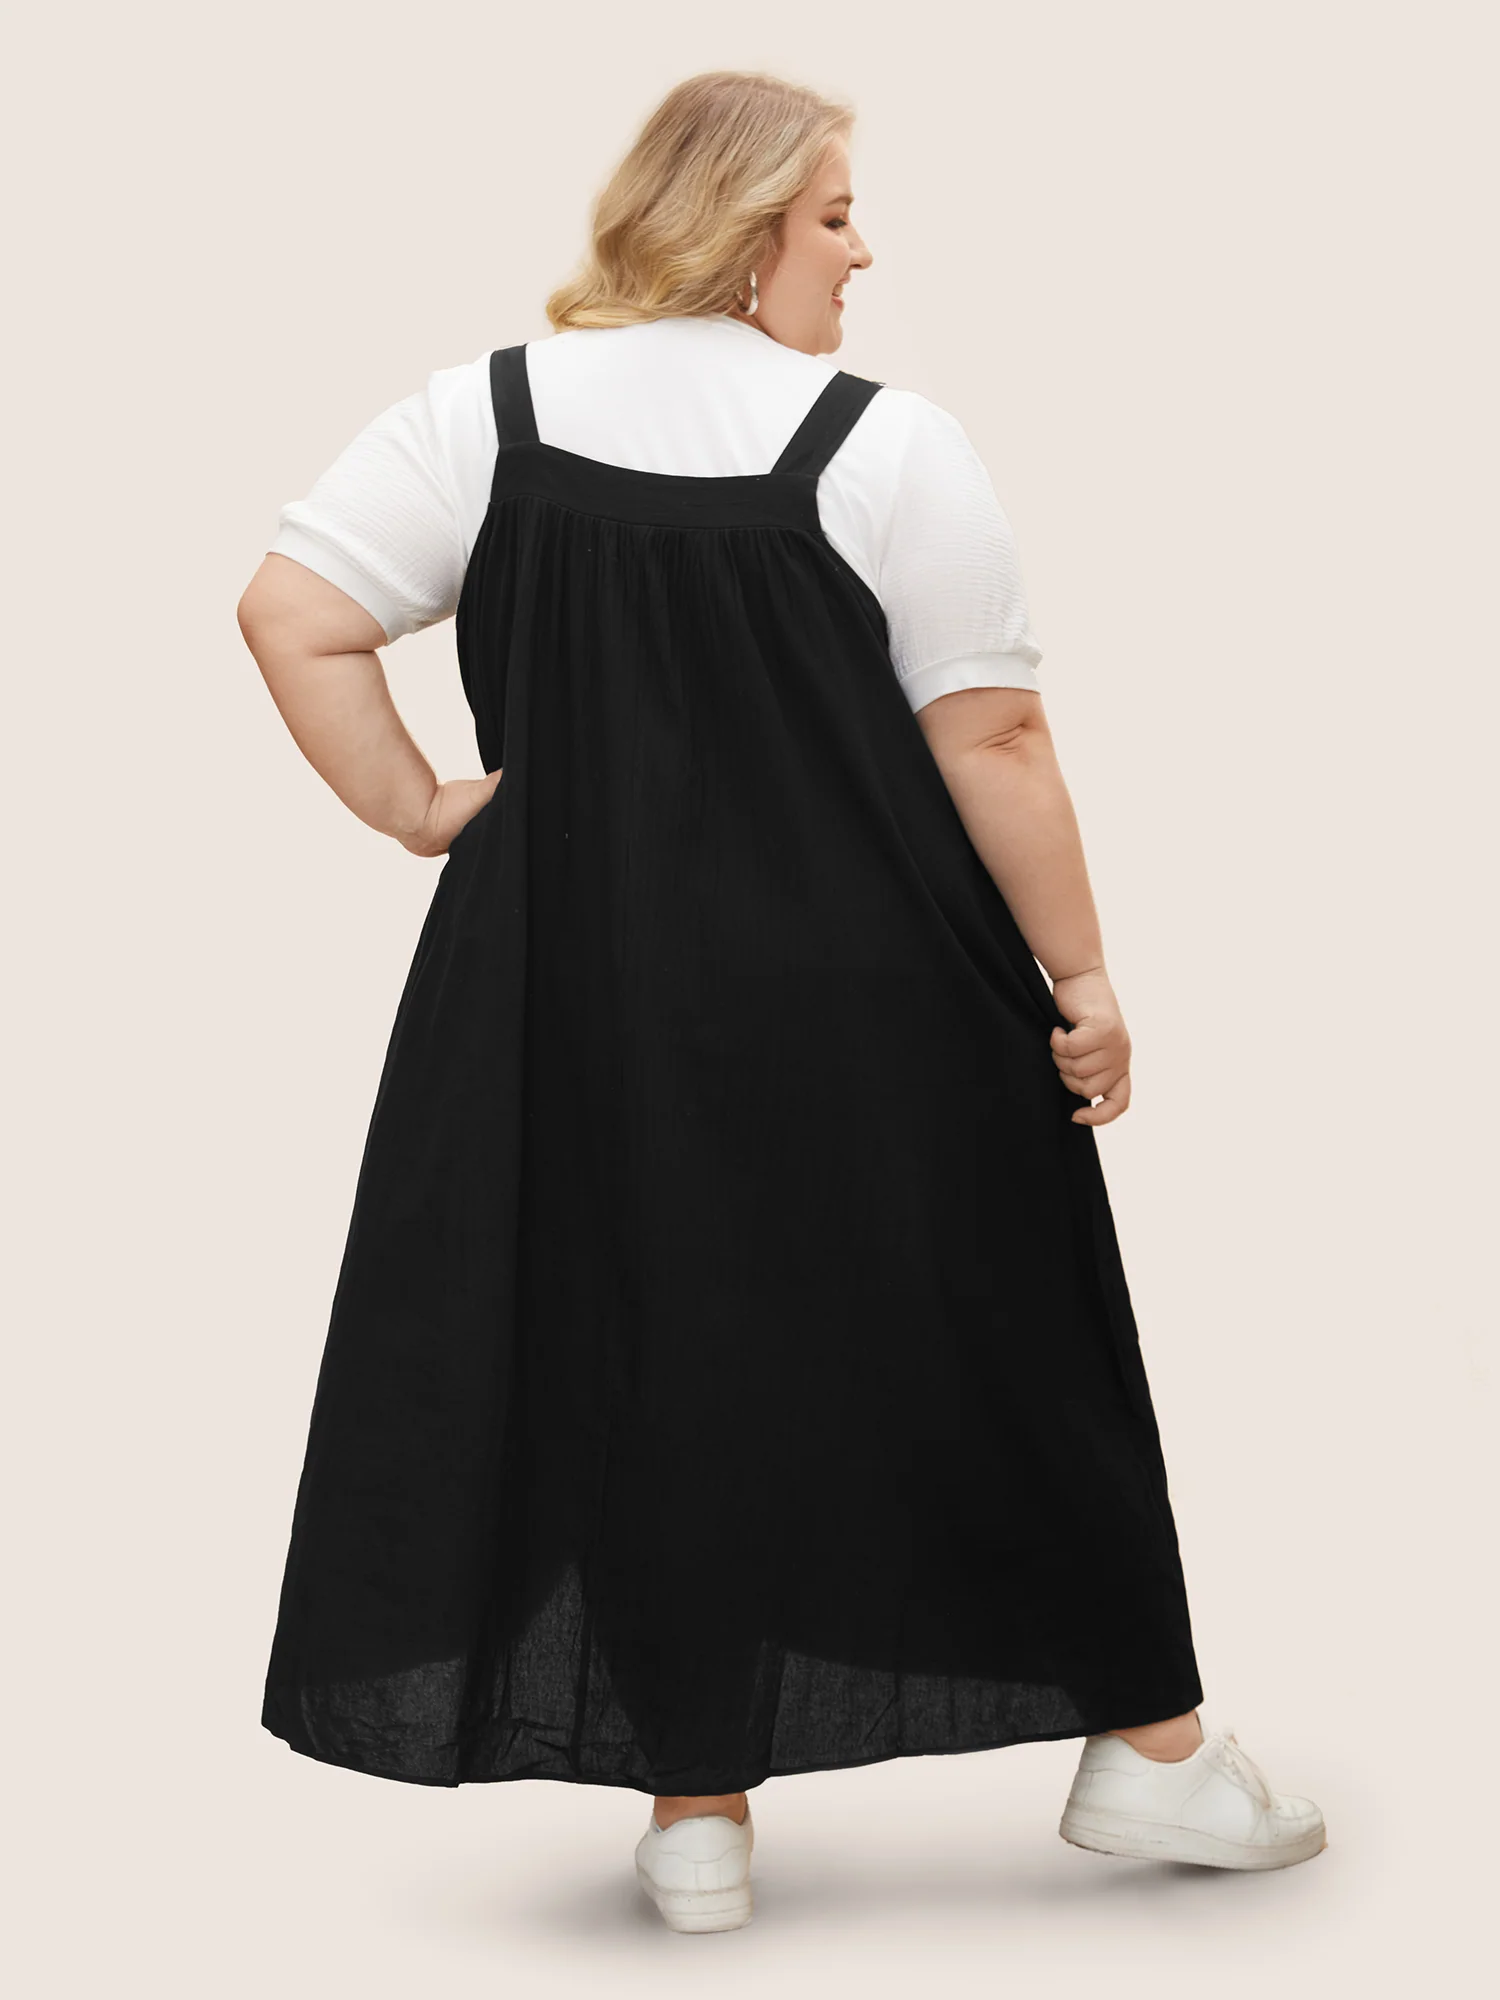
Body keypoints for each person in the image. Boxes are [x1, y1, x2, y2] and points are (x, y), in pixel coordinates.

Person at [236, 70, 1327, 1934]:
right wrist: (1081, 977)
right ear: (744, 230)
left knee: (648, 1348)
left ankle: (696, 1812)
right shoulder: (888, 444)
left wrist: (419, 807)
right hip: (872, 988)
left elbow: (292, 613)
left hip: (571, 1003)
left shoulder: (480, 415)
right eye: (833, 214)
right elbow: (996, 736)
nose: (862, 248)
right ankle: (1152, 1756)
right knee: (1016, 1329)